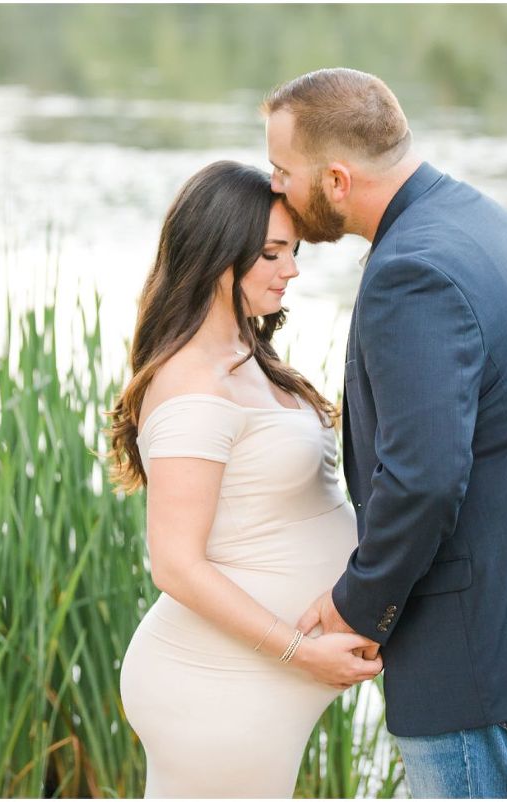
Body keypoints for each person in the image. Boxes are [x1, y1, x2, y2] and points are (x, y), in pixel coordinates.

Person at [263, 68, 507, 798]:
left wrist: (359, 603)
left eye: (284, 173)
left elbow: (425, 479)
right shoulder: (472, 216)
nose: (276, 191)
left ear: (339, 179)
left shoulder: (411, 273)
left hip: (486, 644)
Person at [106, 160, 384, 798]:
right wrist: (298, 651)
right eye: (271, 253)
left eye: (291, 251)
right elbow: (173, 564)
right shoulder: (190, 382)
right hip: (218, 684)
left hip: (253, 681)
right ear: (216, 258)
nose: (291, 269)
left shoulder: (249, 356)